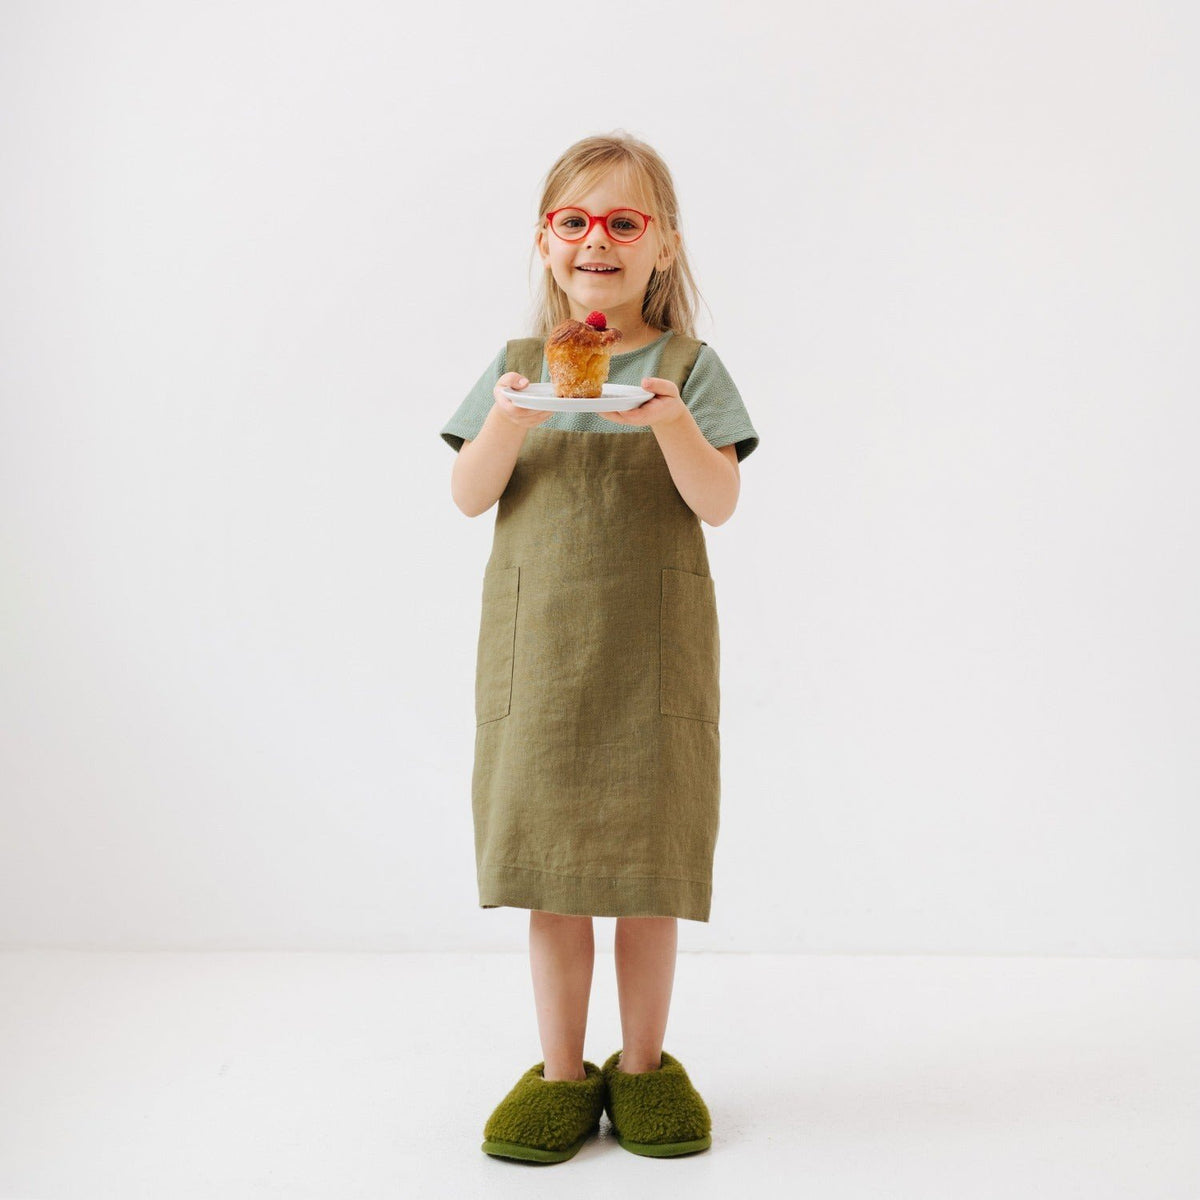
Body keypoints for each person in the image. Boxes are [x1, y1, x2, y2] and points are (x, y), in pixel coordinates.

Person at [439, 131, 759, 1164]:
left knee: (646, 874)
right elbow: (468, 493)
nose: (598, 240)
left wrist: (669, 423)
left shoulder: (686, 369)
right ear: (545, 242)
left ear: (663, 246)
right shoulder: (519, 369)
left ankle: (644, 1066)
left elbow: (718, 502)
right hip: (543, 659)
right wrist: (509, 418)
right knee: (557, 873)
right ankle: (563, 1073)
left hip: (650, 657)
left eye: (625, 222)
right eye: (575, 221)